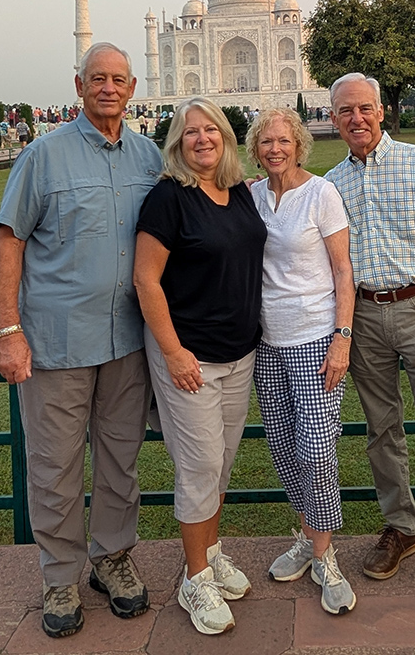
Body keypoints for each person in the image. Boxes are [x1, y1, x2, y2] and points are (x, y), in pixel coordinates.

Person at [0, 42, 163, 638]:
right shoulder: (44, 156)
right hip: (58, 341)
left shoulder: (147, 157)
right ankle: (60, 574)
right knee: (55, 464)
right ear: (79, 85)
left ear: (133, 86)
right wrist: (9, 331)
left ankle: (111, 559)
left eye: (118, 78)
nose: (109, 87)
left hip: (126, 341)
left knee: (121, 458)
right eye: (98, 79)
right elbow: (8, 241)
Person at [326, 72, 415, 619]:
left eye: (364, 108)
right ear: (334, 118)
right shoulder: (332, 182)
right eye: (345, 111)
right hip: (364, 317)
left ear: (381, 111)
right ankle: (401, 527)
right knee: (381, 431)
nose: (356, 119)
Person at [133, 96, 267, 635]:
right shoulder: (168, 198)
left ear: (227, 138)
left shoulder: (236, 192)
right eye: (191, 132)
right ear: (177, 143)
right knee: (199, 467)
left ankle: (210, 554)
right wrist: (172, 352)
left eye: (211, 129)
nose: (203, 139)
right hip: (189, 356)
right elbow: (146, 280)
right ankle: (194, 579)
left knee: (223, 462)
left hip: (238, 353)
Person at [245, 108, 357, 615]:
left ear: (299, 143)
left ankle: (324, 554)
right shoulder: (252, 196)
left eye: (283, 140)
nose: (275, 149)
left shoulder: (321, 194)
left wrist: (342, 337)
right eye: (266, 141)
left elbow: (342, 270)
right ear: (255, 147)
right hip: (267, 341)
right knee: (287, 448)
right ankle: (311, 538)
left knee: (317, 450)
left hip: (314, 338)